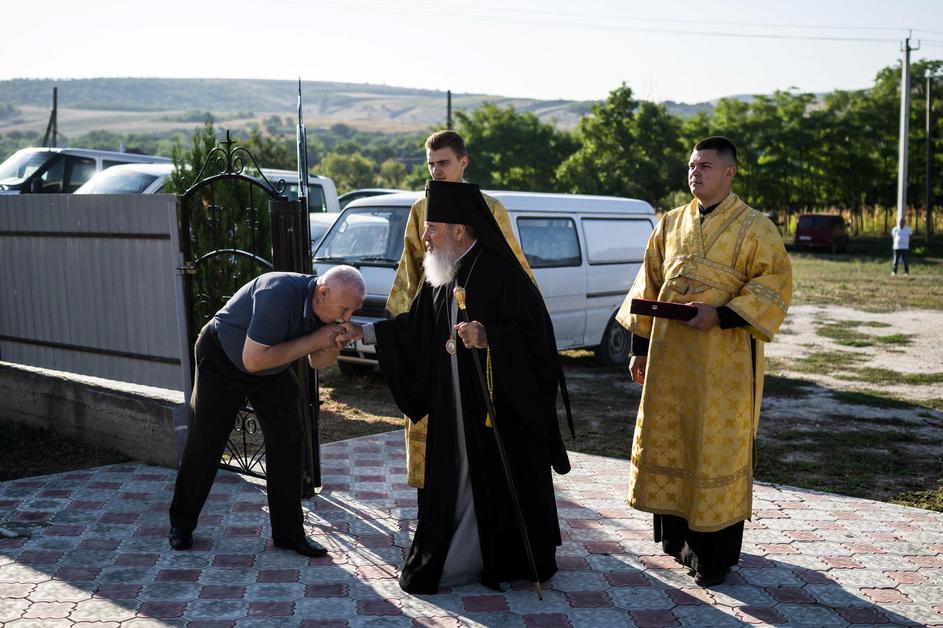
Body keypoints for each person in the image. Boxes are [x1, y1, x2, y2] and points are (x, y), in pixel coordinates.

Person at [342, 180, 572, 594]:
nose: (423, 237)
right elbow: (414, 328)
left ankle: (503, 560)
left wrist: (489, 338)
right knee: (454, 475)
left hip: (496, 410)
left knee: (495, 479)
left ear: (460, 230)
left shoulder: (503, 274)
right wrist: (366, 332)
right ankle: (453, 557)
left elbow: (537, 338)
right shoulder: (442, 271)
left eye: (431, 228)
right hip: (452, 403)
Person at [616, 136, 792, 587]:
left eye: (706, 166)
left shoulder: (756, 227)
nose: (695, 172)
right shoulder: (670, 222)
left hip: (725, 359)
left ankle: (713, 556)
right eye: (692, 165)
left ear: (730, 172)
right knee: (674, 436)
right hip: (671, 359)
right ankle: (677, 541)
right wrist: (639, 348)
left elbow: (773, 285)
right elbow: (647, 283)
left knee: (715, 446)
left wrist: (721, 313)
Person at [168, 266, 366, 557]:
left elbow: (317, 363)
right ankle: (181, 524)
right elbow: (252, 361)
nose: (347, 317)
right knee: (206, 441)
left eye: (352, 312)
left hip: (271, 364)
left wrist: (334, 339)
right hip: (223, 356)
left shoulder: (325, 308)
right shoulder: (278, 293)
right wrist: (316, 338)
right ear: (322, 293)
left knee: (289, 440)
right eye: (344, 309)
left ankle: (288, 533)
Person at [386, 130, 535, 489]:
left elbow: (512, 268)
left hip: (471, 332)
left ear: (463, 162)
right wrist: (405, 332)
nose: (437, 171)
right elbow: (410, 272)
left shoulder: (490, 208)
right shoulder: (419, 209)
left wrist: (522, 323)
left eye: (444, 163)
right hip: (431, 328)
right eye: (431, 164)